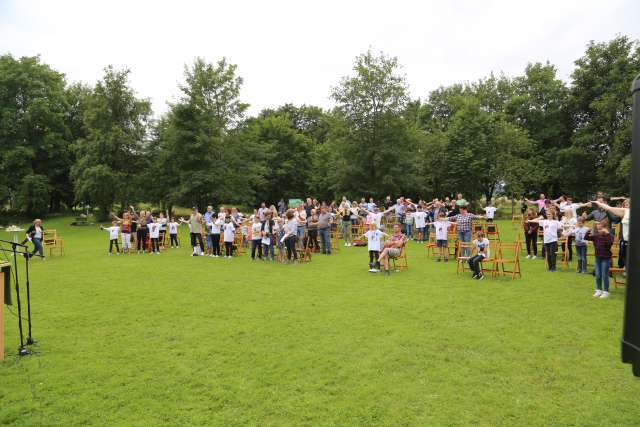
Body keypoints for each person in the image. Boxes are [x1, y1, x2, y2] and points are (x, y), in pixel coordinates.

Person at [585, 221, 614, 299]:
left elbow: (610, 242)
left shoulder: (609, 236)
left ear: (604, 227)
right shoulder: (596, 236)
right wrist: (590, 229)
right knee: (598, 275)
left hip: (606, 259)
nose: (598, 226)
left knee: (605, 275)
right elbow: (586, 237)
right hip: (598, 258)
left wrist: (607, 233)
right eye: (597, 225)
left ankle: (606, 291)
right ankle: (598, 290)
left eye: (599, 225)